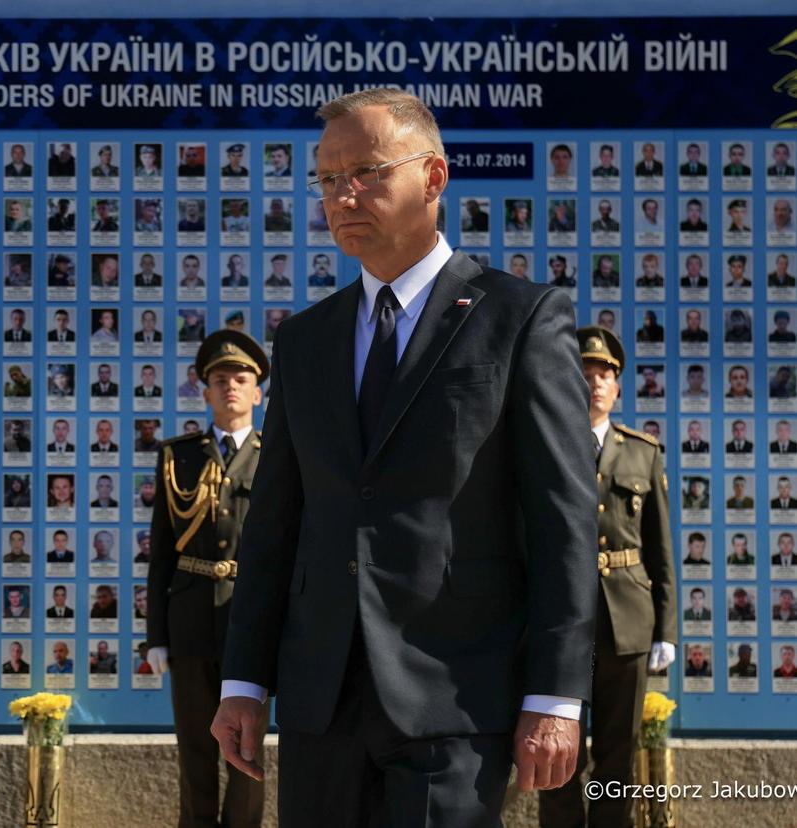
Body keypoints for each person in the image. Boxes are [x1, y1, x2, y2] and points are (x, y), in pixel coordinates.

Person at [212, 90, 598, 827]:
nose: (342, 195)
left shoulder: (518, 318)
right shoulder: (306, 340)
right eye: (327, 179)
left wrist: (553, 697)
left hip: (455, 697)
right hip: (322, 701)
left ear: (434, 177)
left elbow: (563, 519)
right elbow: (276, 525)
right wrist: (243, 682)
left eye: (366, 171)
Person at [147, 329, 270, 828]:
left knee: (247, 754)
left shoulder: (278, 455)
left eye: (241, 379)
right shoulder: (179, 457)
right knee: (194, 748)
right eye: (219, 380)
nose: (230, 387)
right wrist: (156, 636)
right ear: (205, 391)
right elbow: (161, 555)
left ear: (258, 392)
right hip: (191, 619)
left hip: (251, 623)